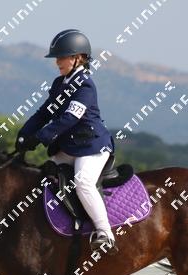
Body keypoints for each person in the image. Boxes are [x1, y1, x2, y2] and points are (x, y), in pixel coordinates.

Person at [15, 29, 116, 253]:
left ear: (78, 58)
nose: (57, 62)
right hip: (70, 148)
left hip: (92, 147)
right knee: (43, 177)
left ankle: (105, 233)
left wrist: (40, 137)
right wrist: (24, 134)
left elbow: (70, 118)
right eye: (57, 58)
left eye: (62, 57)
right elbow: (44, 113)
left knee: (83, 182)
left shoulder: (85, 85)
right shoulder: (59, 83)